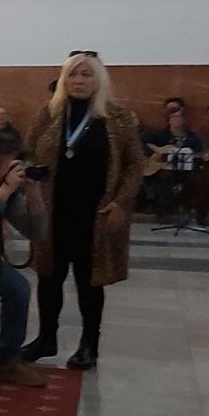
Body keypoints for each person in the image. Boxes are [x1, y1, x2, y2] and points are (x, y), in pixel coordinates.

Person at [21, 53, 143, 370]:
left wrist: (121, 201)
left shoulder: (118, 118)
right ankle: (46, 337)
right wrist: (29, 182)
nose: (79, 81)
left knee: (90, 281)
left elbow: (134, 165)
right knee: (49, 277)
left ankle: (89, 344)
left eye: (86, 75)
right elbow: (28, 154)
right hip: (53, 211)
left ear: (98, 79)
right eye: (73, 75)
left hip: (96, 214)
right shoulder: (48, 114)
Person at [0, 133, 45, 387]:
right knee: (15, 286)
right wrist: (4, 191)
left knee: (18, 288)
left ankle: (7, 360)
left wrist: (34, 195)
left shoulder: (6, 190)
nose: (16, 173)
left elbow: (38, 234)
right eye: (11, 167)